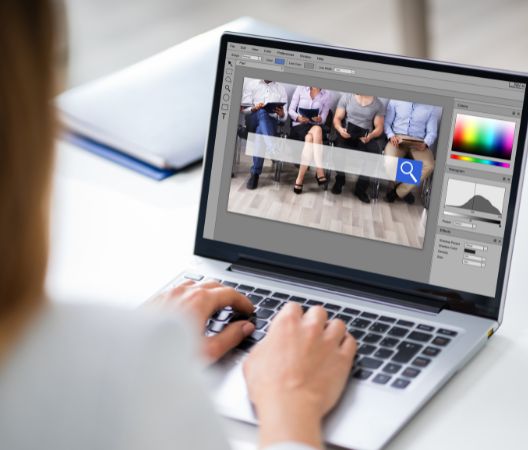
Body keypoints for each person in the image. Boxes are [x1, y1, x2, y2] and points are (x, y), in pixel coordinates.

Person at [0, 3, 357, 450]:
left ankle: (291, 174)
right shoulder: (97, 377)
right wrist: (292, 405)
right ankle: (293, 173)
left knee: (294, 132)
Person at [383, 100, 441, 204]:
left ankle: (397, 192)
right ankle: (403, 190)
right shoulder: (395, 100)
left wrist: (426, 143)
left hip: (418, 142)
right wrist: (391, 136)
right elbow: (386, 123)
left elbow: (432, 132)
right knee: (389, 160)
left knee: (429, 165)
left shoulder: (431, 107)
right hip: (397, 138)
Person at [331, 93, 385, 203]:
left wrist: (371, 136)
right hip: (347, 133)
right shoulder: (347, 97)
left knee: (373, 152)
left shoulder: (378, 104)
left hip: (365, 137)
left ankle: (361, 189)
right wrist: (340, 129)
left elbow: (379, 127)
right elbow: (337, 118)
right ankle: (340, 180)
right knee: (338, 148)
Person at [241, 79, 288, 190]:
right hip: (252, 119)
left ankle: (255, 174)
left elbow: (284, 117)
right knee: (261, 112)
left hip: (270, 123)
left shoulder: (281, 89)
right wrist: (254, 108)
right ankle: (272, 149)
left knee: (260, 133)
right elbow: (244, 110)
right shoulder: (252, 84)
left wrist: (282, 114)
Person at [287, 86, 331, 194]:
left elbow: (324, 118)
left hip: (314, 127)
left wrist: (320, 119)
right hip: (299, 126)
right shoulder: (300, 89)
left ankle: (299, 179)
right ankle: (319, 170)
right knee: (316, 131)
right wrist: (298, 117)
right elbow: (291, 110)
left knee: (310, 138)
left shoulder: (327, 94)